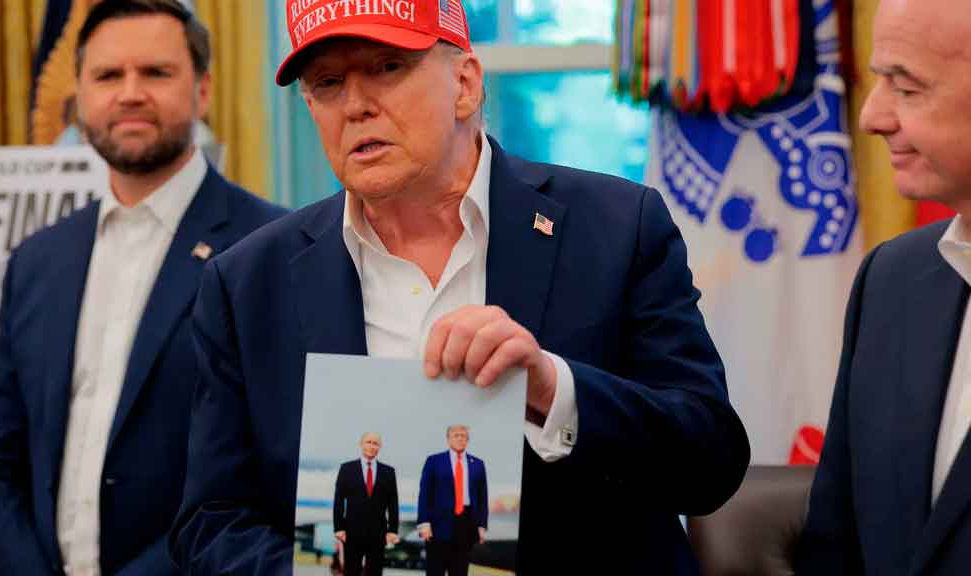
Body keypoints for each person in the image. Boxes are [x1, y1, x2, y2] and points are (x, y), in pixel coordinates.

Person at [170, 1, 750, 573]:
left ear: (466, 84)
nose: (355, 105)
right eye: (327, 83)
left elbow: (710, 461)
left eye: (387, 68)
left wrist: (552, 390)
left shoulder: (617, 227)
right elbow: (211, 522)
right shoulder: (247, 282)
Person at [0, 1, 287, 575]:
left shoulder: (272, 252)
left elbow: (271, 472)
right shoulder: (36, 260)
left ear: (203, 90)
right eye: (108, 75)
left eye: (156, 73)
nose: (130, 94)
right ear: (80, 96)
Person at [797, 1, 971, 574]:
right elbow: (835, 545)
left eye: (907, 87)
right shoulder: (892, 281)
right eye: (878, 80)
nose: (871, 117)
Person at [417, 426, 488, 576]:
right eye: (456, 435)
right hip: (438, 525)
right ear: (448, 439)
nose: (460, 438)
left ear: (467, 440)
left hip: (466, 524)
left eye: (463, 436)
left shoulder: (478, 464)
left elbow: (482, 497)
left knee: (460, 570)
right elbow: (424, 494)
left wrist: (482, 525)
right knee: (435, 570)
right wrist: (424, 523)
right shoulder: (434, 461)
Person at [333, 432, 400, 576]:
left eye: (375, 443)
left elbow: (393, 503)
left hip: (378, 534)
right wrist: (339, 528)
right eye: (368, 442)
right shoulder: (347, 469)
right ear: (361, 444)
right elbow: (339, 500)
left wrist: (393, 530)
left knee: (375, 572)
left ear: (380, 447)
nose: (372, 446)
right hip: (352, 532)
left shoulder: (388, 472)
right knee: (351, 571)